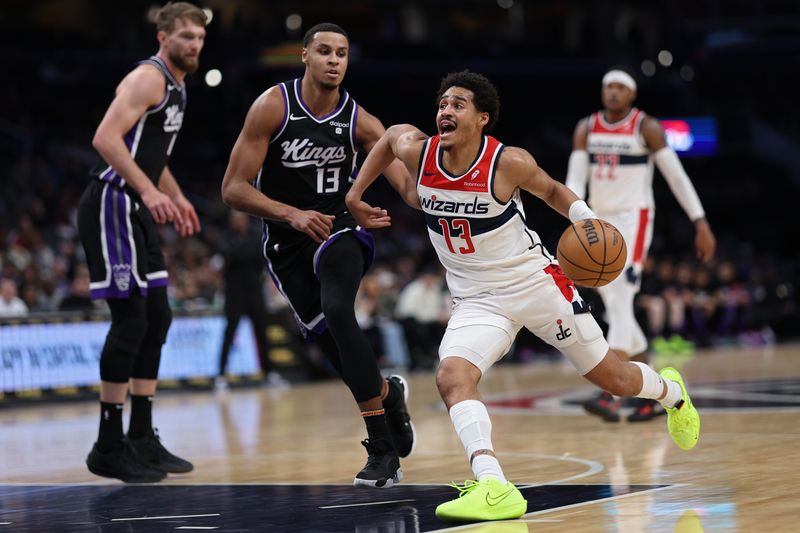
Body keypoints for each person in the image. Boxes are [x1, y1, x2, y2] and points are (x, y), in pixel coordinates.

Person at [346, 70, 700, 523]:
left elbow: (552, 190)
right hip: (477, 299)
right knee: (451, 377)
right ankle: (494, 484)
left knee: (613, 379)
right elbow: (390, 138)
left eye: (458, 105)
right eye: (442, 103)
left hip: (536, 285)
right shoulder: (420, 152)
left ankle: (672, 393)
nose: (445, 111)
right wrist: (356, 194)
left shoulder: (507, 162)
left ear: (482, 118)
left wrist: (586, 220)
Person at [220, 23, 416, 488]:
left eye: (342, 53)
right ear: (305, 56)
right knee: (337, 351)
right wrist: (290, 213)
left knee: (338, 311)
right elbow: (232, 189)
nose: (334, 60)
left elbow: (405, 183)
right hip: (287, 242)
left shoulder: (359, 120)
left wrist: (437, 179)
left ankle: (383, 450)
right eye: (324, 51)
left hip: (340, 229)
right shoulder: (273, 106)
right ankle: (388, 396)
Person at [77, 2, 206, 483]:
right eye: (186, 37)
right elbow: (106, 138)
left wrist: (174, 193)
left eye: (200, 38)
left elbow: (148, 153)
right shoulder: (149, 78)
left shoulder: (179, 84)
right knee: (131, 320)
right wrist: (150, 191)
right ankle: (108, 445)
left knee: (158, 317)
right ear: (163, 38)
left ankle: (142, 435)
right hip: (112, 201)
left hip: (137, 204)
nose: (194, 45)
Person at [564, 68, 716, 423]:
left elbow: (676, 177)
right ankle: (653, 394)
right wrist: (575, 218)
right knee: (618, 303)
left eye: (620, 87)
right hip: (597, 220)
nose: (613, 92)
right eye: (608, 86)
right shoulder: (586, 127)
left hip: (634, 220)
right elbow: (573, 179)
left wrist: (700, 220)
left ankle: (609, 391)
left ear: (631, 95)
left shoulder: (645, 127)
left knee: (619, 298)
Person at [215, 209, 288, 390]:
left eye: (241, 218)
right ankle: (221, 375)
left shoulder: (255, 235)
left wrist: (239, 254)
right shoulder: (225, 237)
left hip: (255, 291)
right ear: (231, 222)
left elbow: (257, 254)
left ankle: (270, 374)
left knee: (262, 333)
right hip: (234, 293)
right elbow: (228, 254)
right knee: (230, 333)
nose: (239, 222)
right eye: (235, 219)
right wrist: (242, 253)